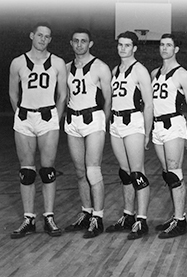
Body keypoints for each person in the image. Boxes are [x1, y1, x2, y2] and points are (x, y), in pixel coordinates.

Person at [8, 22, 68, 239]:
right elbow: (13, 93)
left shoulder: (58, 63)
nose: (43, 39)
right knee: (26, 171)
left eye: (47, 36)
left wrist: (56, 118)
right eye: (40, 35)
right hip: (24, 118)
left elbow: (63, 95)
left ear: (50, 40)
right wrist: (21, 113)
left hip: (48, 118)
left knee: (48, 170)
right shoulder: (17, 63)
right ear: (31, 35)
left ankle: (49, 217)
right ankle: (29, 218)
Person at [63, 28, 112, 239]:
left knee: (93, 170)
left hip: (93, 120)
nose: (80, 44)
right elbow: (63, 96)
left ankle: (98, 218)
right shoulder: (65, 68)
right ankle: (86, 212)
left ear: (90, 44)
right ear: (71, 43)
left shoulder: (100, 67)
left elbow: (109, 99)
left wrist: (104, 123)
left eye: (84, 41)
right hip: (72, 120)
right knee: (80, 171)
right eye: (76, 41)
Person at [105, 31, 153, 240]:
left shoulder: (140, 70)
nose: (123, 48)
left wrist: (147, 132)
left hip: (133, 122)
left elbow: (149, 104)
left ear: (134, 48)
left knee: (137, 173)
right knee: (125, 173)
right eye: (120, 45)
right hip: (116, 123)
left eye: (127, 45)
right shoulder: (115, 70)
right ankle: (128, 215)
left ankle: (141, 220)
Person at [151, 34, 187, 239]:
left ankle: (180, 221)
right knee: (167, 173)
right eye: (162, 45)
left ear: (176, 49)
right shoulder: (154, 73)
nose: (164, 48)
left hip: (174, 125)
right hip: (157, 126)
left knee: (175, 172)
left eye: (169, 45)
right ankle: (175, 216)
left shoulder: (183, 75)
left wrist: (186, 134)